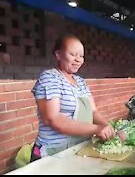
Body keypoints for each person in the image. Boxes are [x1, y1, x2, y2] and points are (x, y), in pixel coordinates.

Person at [30, 34, 116, 162]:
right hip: (53, 152)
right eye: (73, 54)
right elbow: (53, 119)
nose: (78, 60)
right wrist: (96, 129)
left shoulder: (81, 82)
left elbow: (93, 112)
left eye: (81, 56)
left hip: (78, 148)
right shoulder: (50, 77)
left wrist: (109, 129)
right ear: (58, 55)